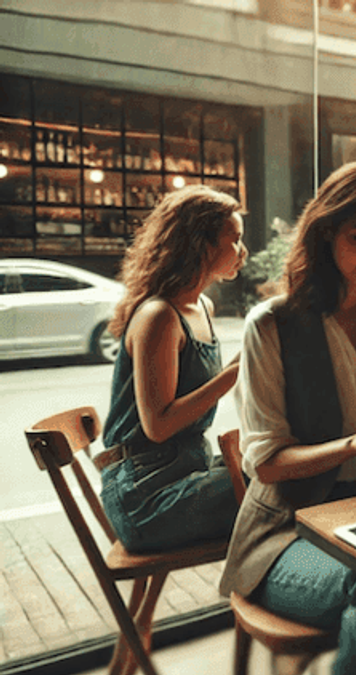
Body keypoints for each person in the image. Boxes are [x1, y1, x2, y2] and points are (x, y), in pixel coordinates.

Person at [219, 161, 356, 675]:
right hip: (286, 534)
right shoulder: (270, 326)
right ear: (325, 233)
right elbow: (269, 466)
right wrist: (355, 444)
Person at [97, 185, 244, 553]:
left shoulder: (202, 307)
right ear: (202, 245)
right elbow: (158, 425)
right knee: (278, 484)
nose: (242, 251)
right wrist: (234, 374)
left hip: (183, 472)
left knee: (275, 465)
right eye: (236, 239)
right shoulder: (159, 316)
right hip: (146, 495)